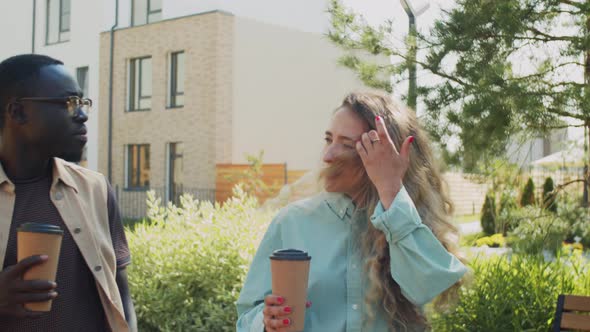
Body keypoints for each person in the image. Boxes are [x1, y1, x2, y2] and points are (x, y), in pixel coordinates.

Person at [237, 92, 468, 331]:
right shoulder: (291, 222)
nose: (327, 156)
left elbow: (426, 287)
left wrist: (390, 189)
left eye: (346, 145)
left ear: (386, 156)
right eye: (328, 140)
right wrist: (265, 322)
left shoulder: (409, 223)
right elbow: (245, 318)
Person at [0, 54, 136, 331]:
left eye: (82, 102)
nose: (83, 115)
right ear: (17, 112)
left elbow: (120, 294)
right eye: (68, 103)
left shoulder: (94, 189)